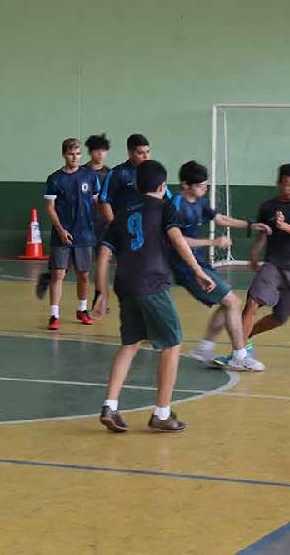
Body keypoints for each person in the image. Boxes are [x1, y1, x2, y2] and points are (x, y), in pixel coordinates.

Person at [91, 160, 215, 434]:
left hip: (125, 284)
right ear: (162, 186)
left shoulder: (122, 214)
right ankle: (162, 413)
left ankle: (109, 406)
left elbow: (103, 253)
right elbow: (177, 239)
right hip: (152, 283)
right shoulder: (164, 206)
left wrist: (101, 292)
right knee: (172, 344)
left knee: (130, 344)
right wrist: (198, 271)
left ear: (136, 187)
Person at [171, 161, 268, 371]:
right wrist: (213, 242)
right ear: (186, 185)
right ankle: (239, 356)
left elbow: (221, 219)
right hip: (185, 267)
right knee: (233, 302)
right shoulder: (176, 205)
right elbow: (177, 240)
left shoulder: (200, 201)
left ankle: (204, 349)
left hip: (199, 262)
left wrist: (250, 225)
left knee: (228, 303)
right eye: (200, 185)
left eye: (206, 184)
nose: (205, 188)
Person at [223, 163, 290, 370]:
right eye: (289, 185)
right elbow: (263, 233)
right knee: (252, 302)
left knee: (280, 318)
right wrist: (255, 253)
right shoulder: (268, 207)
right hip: (273, 264)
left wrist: (284, 226)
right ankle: (239, 354)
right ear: (279, 183)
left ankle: (248, 337)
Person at [34, 138, 100, 330]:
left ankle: (82, 309)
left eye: (78, 154)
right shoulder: (55, 179)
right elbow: (50, 207)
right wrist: (61, 230)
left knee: (84, 274)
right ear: (64, 155)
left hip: (85, 234)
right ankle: (54, 315)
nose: (75, 157)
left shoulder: (89, 176)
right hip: (62, 234)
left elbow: (97, 202)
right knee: (58, 273)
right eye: (71, 154)